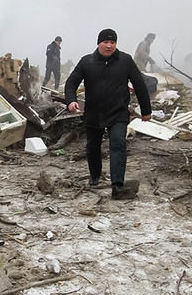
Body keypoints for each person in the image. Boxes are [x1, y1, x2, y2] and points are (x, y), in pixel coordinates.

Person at [64, 28, 153, 200]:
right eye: (106, 42)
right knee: (93, 146)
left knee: (118, 143)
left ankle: (117, 186)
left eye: (112, 42)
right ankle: (95, 176)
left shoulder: (125, 61)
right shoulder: (87, 61)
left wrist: (146, 110)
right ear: (99, 43)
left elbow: (139, 84)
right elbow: (71, 83)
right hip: (93, 112)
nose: (109, 45)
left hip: (118, 111)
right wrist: (70, 100)